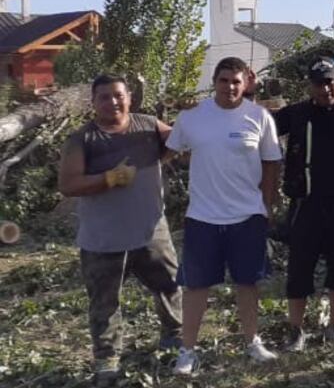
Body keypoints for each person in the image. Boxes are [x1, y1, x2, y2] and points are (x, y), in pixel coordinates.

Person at [58, 74, 182, 386]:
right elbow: (68, 184)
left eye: (117, 95)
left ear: (129, 96)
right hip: (104, 239)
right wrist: (107, 179)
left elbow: (180, 143)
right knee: (105, 302)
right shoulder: (82, 139)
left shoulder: (148, 126)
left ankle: (174, 337)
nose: (112, 102)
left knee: (169, 286)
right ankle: (107, 360)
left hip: (150, 231)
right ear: (93, 102)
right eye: (104, 97)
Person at [166, 57, 282, 375]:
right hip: (203, 216)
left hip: (248, 216)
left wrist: (268, 205)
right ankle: (187, 351)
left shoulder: (259, 117)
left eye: (236, 81)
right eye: (224, 80)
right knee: (196, 287)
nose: (230, 86)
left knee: (248, 283)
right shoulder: (192, 118)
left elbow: (272, 163)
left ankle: (252, 342)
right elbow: (167, 152)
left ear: (246, 83)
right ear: (214, 81)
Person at [273, 57, 334, 351]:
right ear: (310, 85)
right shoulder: (296, 113)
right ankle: (296, 331)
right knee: (299, 268)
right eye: (319, 83)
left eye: (330, 81)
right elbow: (259, 125)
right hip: (307, 202)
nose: (326, 88)